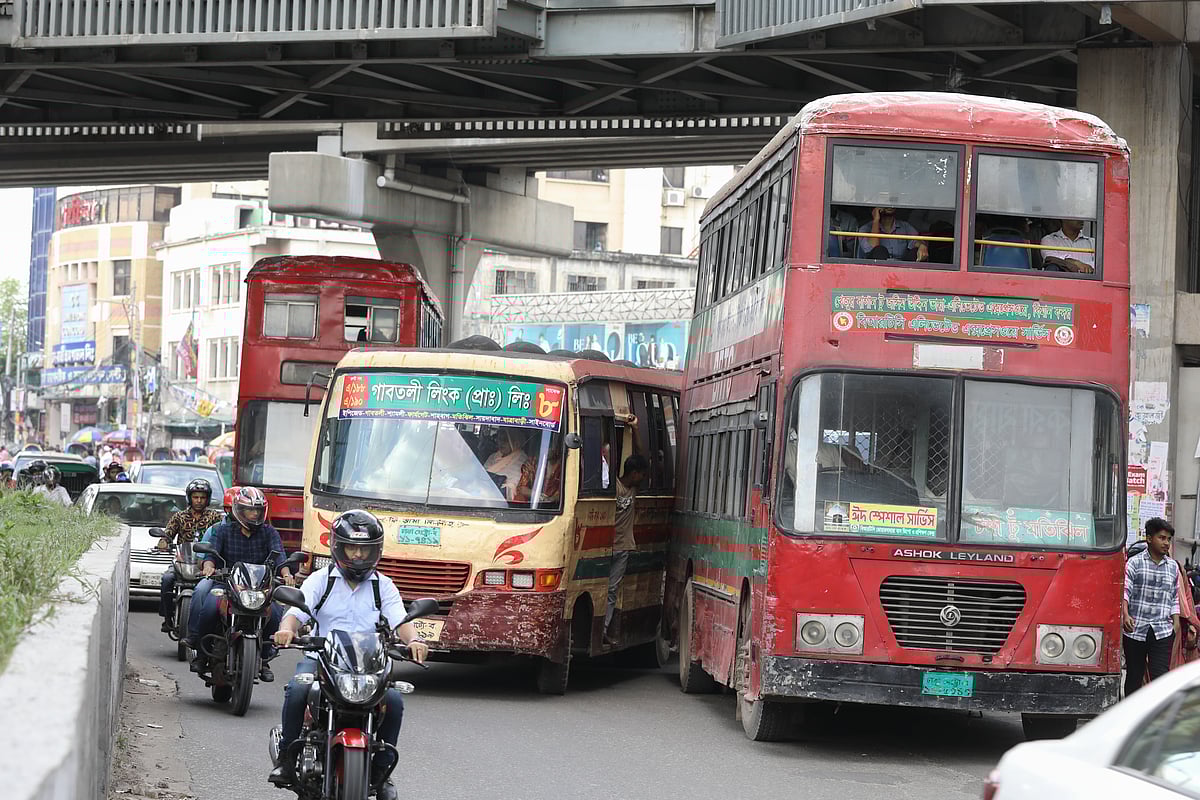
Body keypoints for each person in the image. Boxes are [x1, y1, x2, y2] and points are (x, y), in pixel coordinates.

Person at [268, 510, 427, 799]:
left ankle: (381, 772)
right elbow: (295, 614)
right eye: (352, 548)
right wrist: (287, 630)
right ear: (339, 547)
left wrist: (414, 640)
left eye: (365, 549)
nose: (357, 556)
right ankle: (287, 761)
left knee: (394, 701)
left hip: (368, 667)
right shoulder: (321, 580)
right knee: (297, 688)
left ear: (375, 551)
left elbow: (400, 622)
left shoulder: (383, 585)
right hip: (323, 660)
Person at [187, 486, 293, 680]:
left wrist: (286, 574)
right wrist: (210, 567)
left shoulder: (269, 532)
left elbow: (280, 556)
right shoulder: (222, 530)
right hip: (226, 585)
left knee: (276, 612)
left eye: (257, 511)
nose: (253, 514)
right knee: (210, 607)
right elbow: (211, 553)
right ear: (238, 509)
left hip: (259, 588)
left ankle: (264, 658)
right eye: (249, 510)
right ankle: (201, 655)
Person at [156, 479, 224, 633]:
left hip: (205, 563)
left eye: (202, 497)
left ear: (207, 499)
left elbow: (222, 535)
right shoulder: (179, 517)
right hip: (182, 562)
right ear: (189, 498)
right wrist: (163, 542)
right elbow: (167, 534)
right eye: (195, 497)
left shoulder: (215, 517)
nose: (199, 501)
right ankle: (167, 617)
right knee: (167, 579)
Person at [1124, 518, 1180, 696]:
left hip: (1162, 630)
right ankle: (1130, 717)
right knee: (1134, 676)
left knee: (1160, 677)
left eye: (1168, 539)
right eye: (1162, 538)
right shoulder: (1134, 563)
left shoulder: (1173, 567)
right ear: (1149, 538)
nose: (1166, 543)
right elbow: (1125, 592)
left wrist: (1176, 622)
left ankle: (1157, 719)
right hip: (1135, 629)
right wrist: (1125, 615)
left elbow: (1174, 596)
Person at [604, 415, 648, 647]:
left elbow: (642, 454)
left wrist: (635, 429)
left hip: (622, 547)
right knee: (606, 589)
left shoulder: (631, 490)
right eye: (641, 474)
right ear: (633, 474)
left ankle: (604, 628)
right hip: (606, 546)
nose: (643, 478)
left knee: (612, 589)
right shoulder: (614, 487)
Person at [858, 207, 928, 262]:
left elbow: (915, 241)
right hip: (876, 271)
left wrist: (922, 245)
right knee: (879, 250)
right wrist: (876, 220)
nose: (889, 205)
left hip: (901, 270)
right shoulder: (865, 228)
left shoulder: (905, 226)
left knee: (916, 251)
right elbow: (873, 247)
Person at [483, 429, 528, 500]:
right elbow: (482, 475)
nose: (501, 443)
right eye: (500, 439)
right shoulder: (493, 456)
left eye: (505, 440)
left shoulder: (522, 459)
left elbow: (514, 484)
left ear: (514, 441)